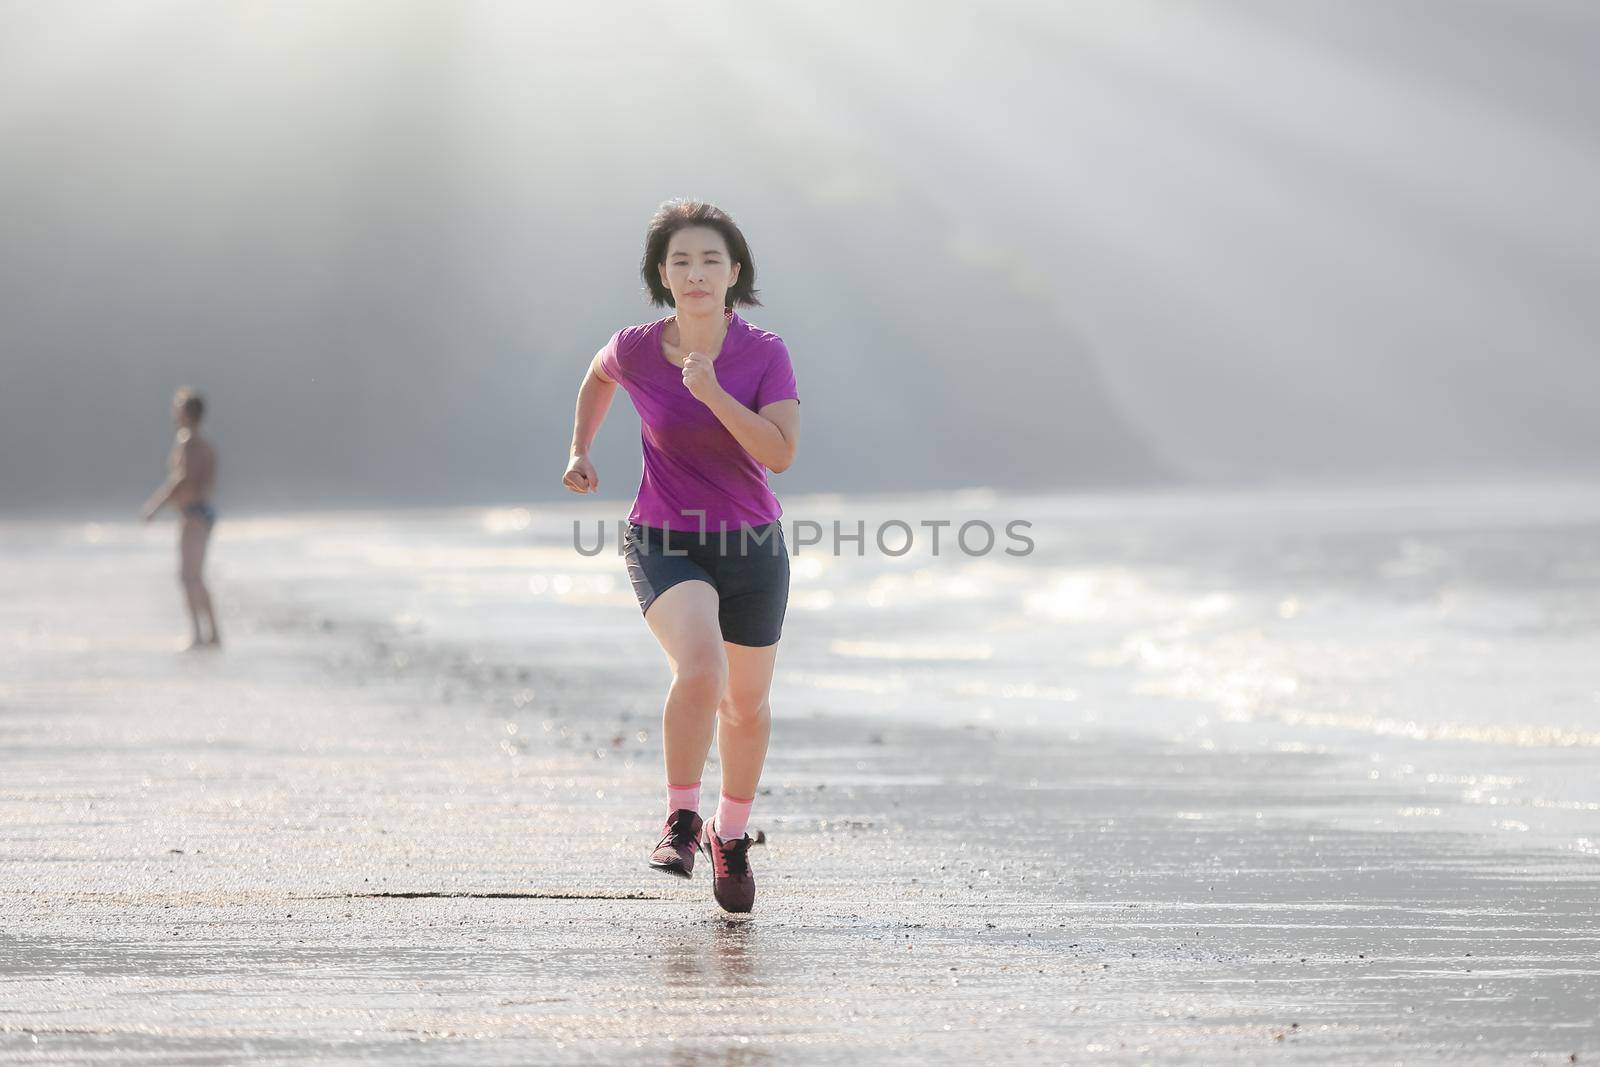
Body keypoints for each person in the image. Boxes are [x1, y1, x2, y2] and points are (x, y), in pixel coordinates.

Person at [563, 200, 802, 913]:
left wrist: (714, 393)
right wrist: (580, 447)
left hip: (752, 544)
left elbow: (780, 454)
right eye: (679, 262)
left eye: (709, 260)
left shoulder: (764, 353)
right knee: (701, 669)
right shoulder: (637, 347)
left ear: (734, 273)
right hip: (664, 537)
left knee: (747, 706)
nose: (694, 273)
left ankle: (730, 836)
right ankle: (681, 818)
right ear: (661, 275)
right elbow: (599, 374)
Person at [141, 387, 221, 650]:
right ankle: (212, 632)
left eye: (177, 408)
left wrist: (155, 505)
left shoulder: (188, 442)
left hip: (194, 514)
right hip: (204, 513)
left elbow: (181, 480)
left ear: (186, 413)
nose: (174, 413)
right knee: (196, 576)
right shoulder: (206, 443)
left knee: (188, 577)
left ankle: (199, 634)